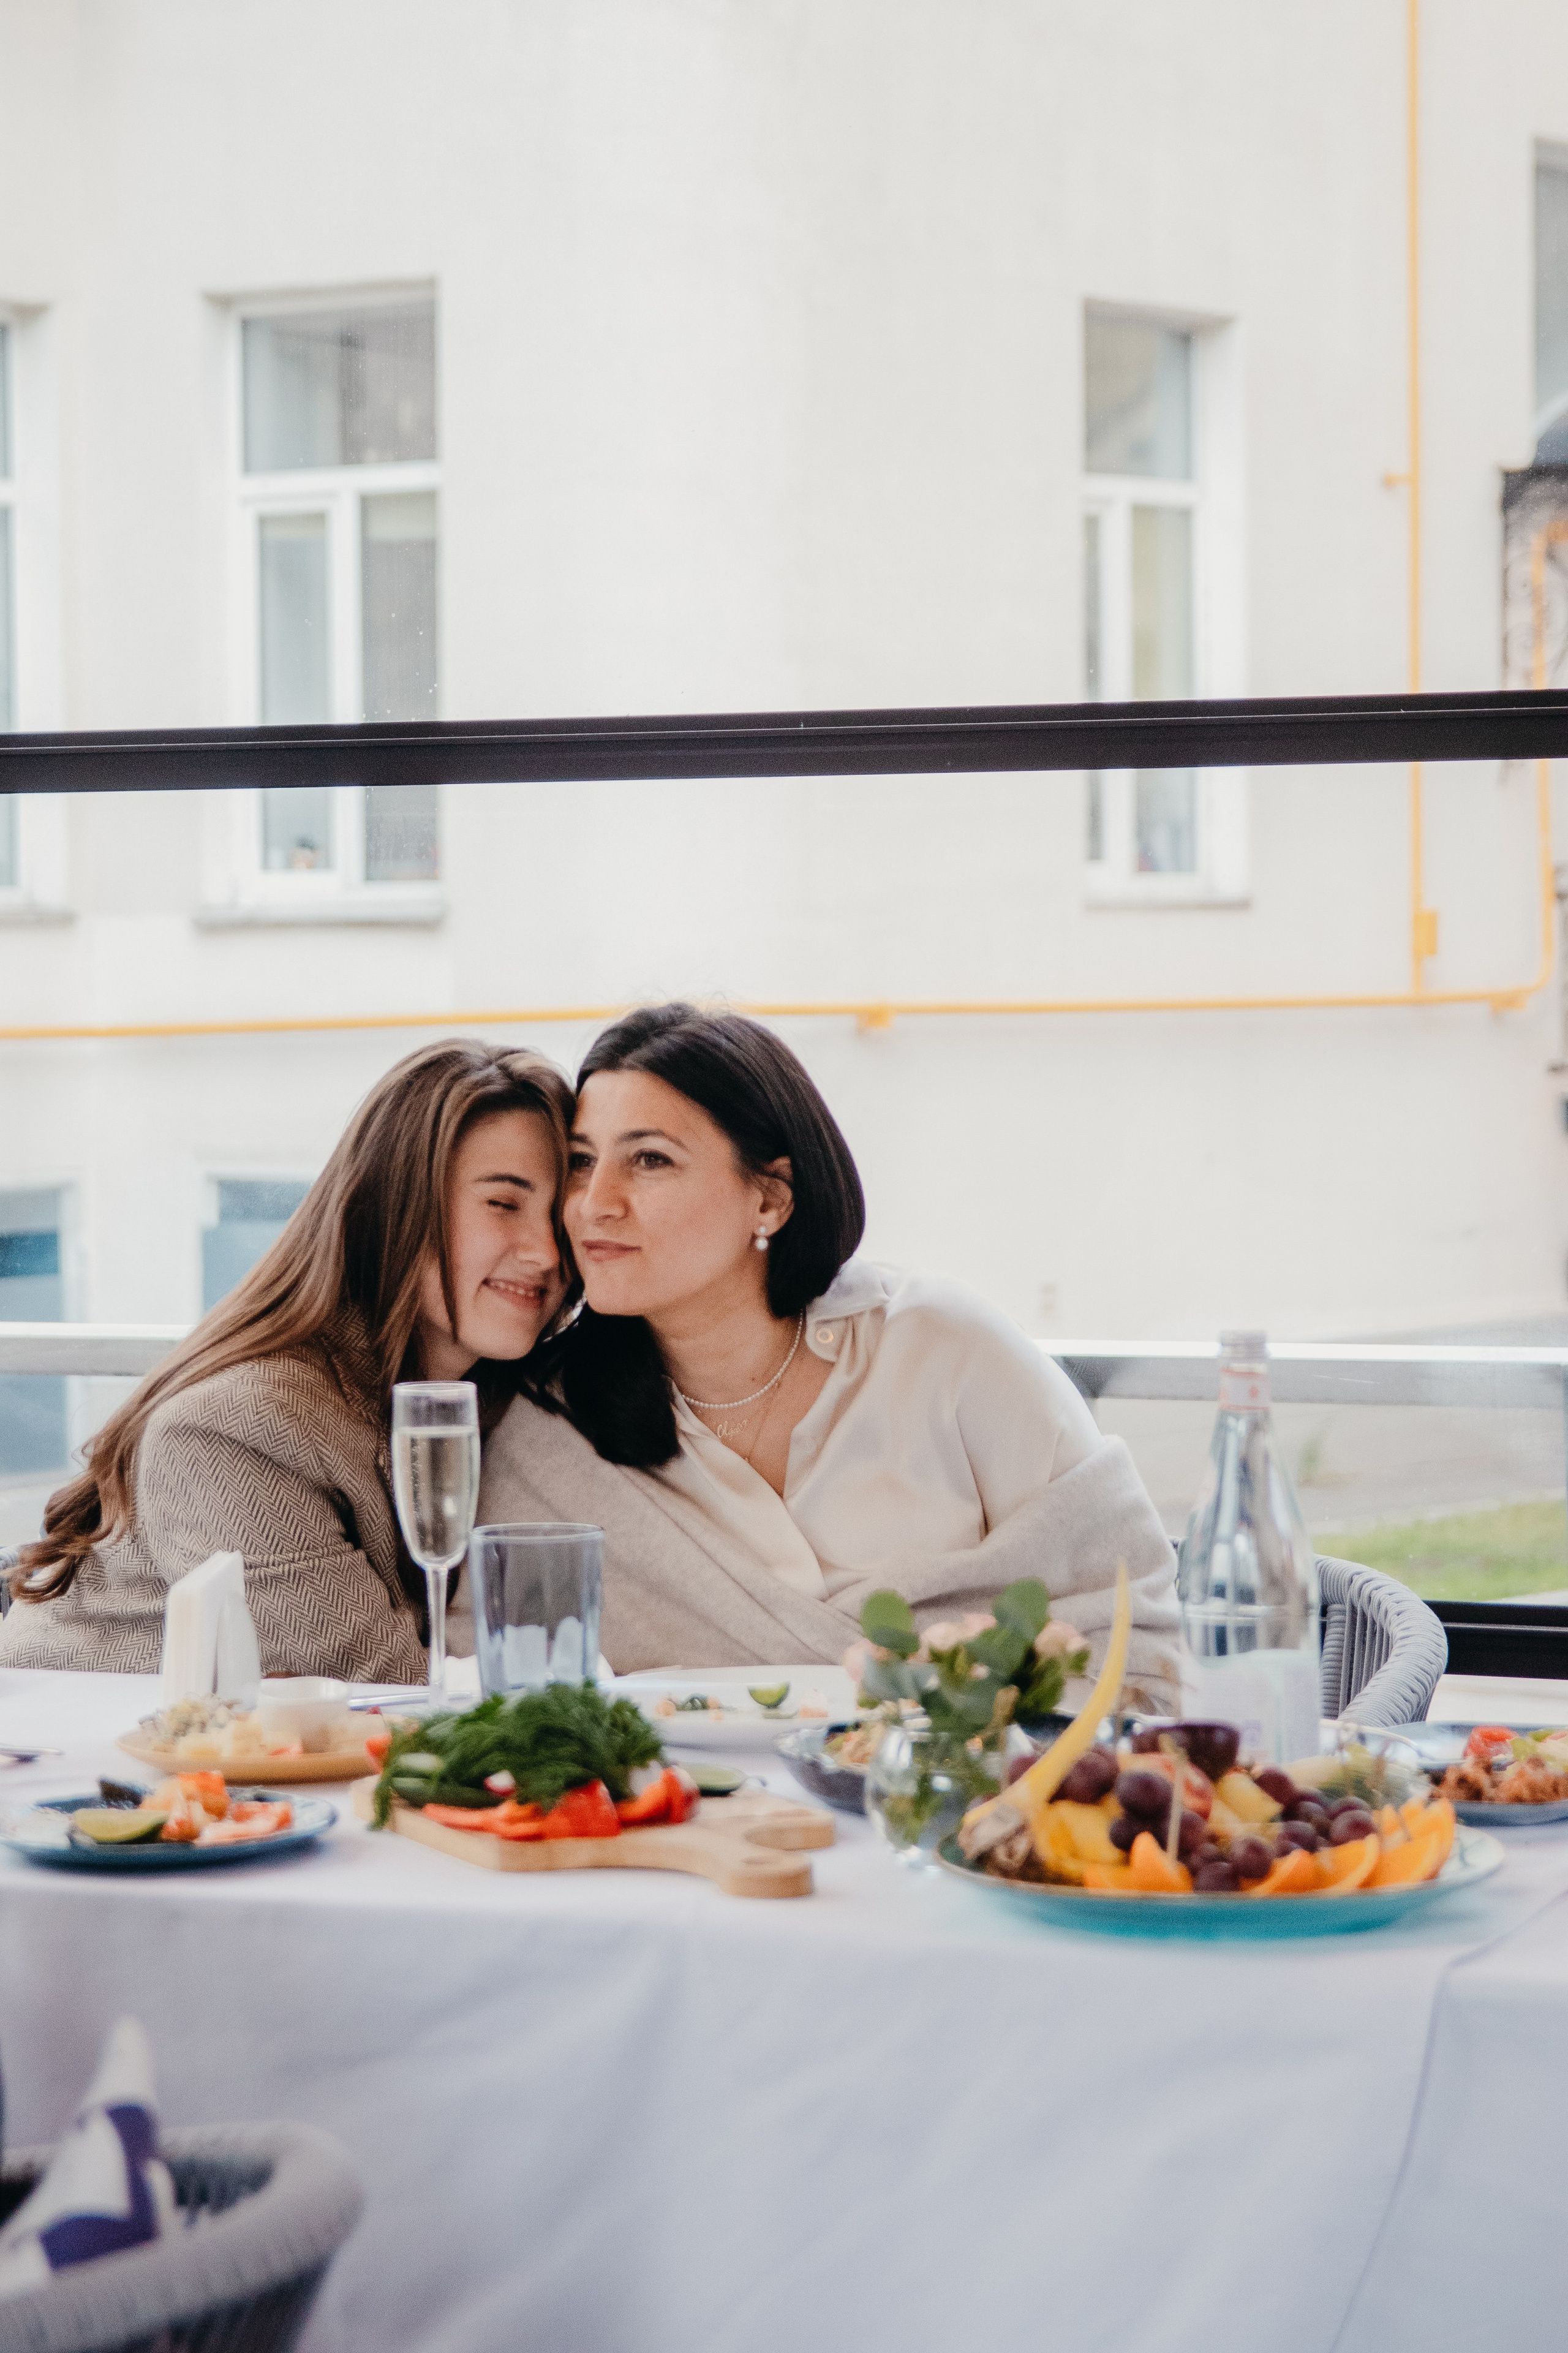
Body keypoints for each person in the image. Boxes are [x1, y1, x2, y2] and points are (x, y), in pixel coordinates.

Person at [478, 1004, 1179, 1704]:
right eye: (581, 1162)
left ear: (772, 1200)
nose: (593, 1203)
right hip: (678, 1811)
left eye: (650, 1159)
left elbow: (1137, 1645)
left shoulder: (941, 1350)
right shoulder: (545, 1432)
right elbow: (491, 1680)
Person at [1, 1040, 575, 1679]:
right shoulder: (236, 1431)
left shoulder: (489, 1407)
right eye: (503, 1203)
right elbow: (382, 1692)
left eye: (559, 1215)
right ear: (393, 1208)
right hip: (70, 1762)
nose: (547, 1252)